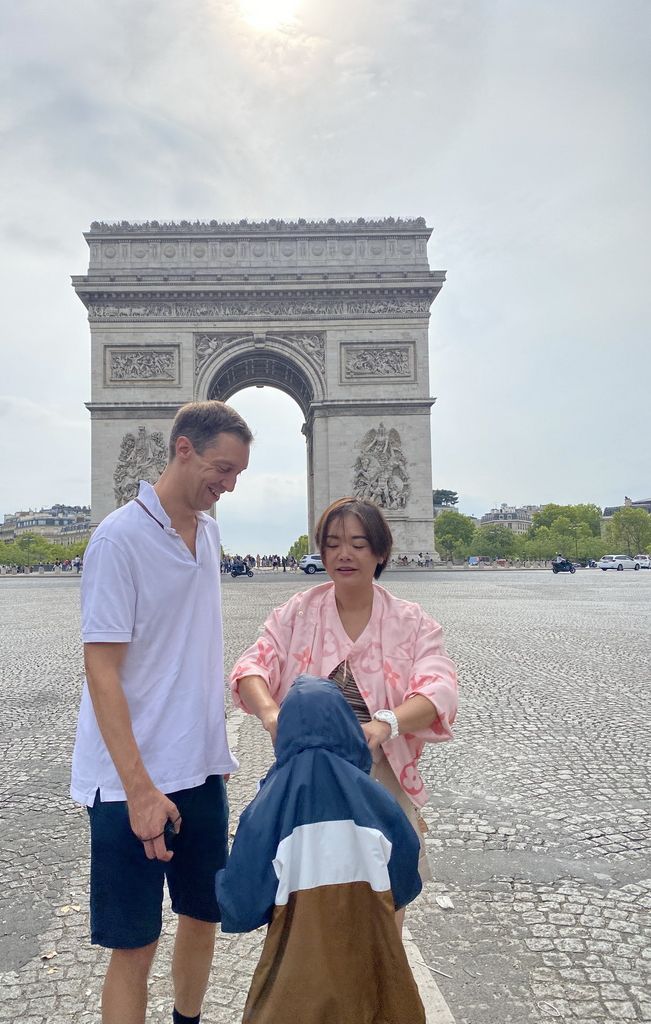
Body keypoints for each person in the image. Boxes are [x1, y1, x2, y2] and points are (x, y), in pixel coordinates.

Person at [70, 400, 253, 1024]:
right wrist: (140, 788)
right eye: (222, 469)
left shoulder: (209, 532)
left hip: (198, 772)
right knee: (134, 945)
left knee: (204, 917)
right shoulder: (118, 539)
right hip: (132, 785)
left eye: (237, 475)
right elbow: (101, 669)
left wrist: (210, 748)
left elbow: (190, 648)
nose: (229, 485)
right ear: (183, 448)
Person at [230, 496, 457, 922]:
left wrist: (386, 723)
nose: (344, 554)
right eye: (332, 543)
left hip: (380, 780)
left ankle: (380, 987)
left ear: (381, 551)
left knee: (385, 908)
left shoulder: (413, 623)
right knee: (303, 913)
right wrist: (269, 713)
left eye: (358, 542)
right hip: (306, 783)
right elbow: (252, 665)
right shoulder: (295, 613)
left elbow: (439, 689)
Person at [216, 675, 425, 1024]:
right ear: (347, 726)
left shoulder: (269, 805)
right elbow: (405, 878)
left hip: (295, 980)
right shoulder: (375, 799)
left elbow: (240, 904)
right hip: (368, 973)